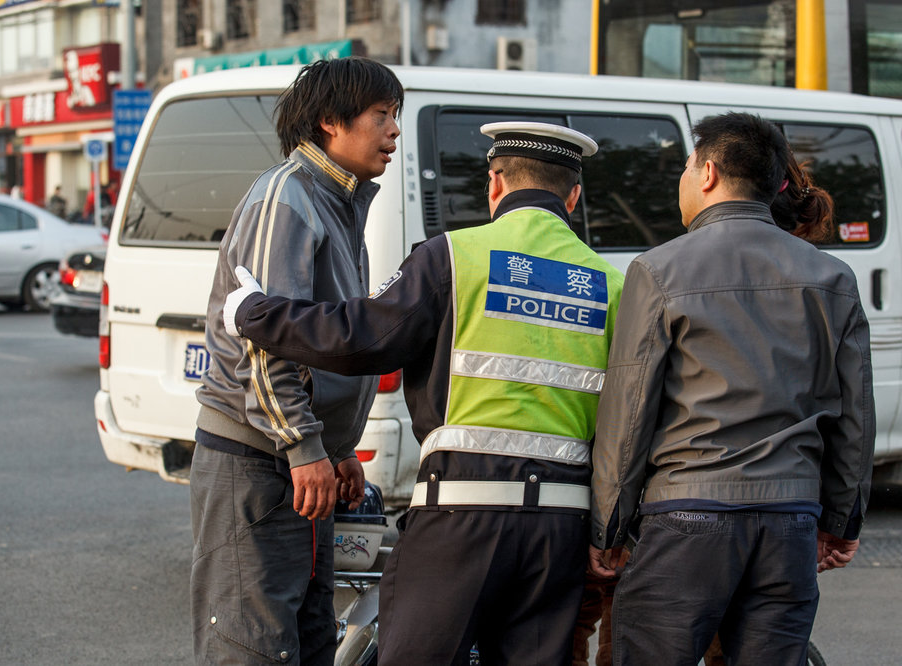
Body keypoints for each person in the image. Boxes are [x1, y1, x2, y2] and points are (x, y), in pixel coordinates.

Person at [225, 121, 624, 664]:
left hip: (461, 516)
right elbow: (626, 422)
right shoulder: (612, 285)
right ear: (573, 197)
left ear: (495, 184)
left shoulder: (452, 256)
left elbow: (360, 338)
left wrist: (256, 313)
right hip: (561, 528)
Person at [588, 112, 874, 666]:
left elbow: (629, 412)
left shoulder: (659, 270)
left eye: (686, 166)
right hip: (790, 521)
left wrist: (610, 527)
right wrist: (842, 521)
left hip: (686, 516)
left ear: (709, 172)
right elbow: (856, 415)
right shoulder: (834, 277)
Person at [188, 57, 402, 665]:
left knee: (308, 642)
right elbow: (265, 337)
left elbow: (326, 335)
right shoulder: (287, 195)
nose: (393, 131)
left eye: (395, 115)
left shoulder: (340, 200)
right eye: (381, 115)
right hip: (259, 462)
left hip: (303, 463)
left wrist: (337, 448)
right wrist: (305, 446)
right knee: (252, 645)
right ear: (331, 120)